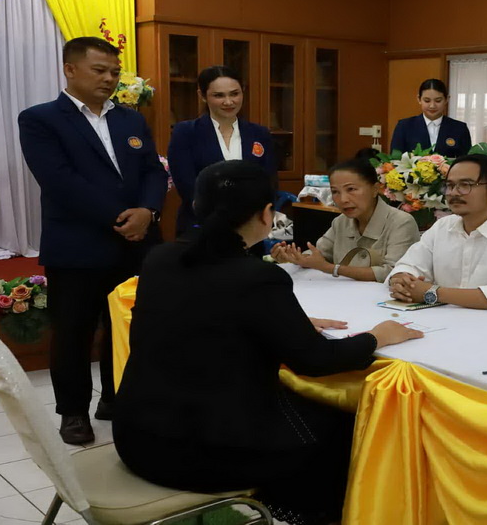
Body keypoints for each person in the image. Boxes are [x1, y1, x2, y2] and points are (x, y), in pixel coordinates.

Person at [113, 161, 422, 524]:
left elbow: (204, 314)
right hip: (201, 455)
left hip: (136, 437)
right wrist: (377, 336)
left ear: (196, 206)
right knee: (341, 423)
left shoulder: (160, 257)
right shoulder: (257, 276)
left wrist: (281, 321)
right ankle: (305, 514)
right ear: (266, 215)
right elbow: (317, 360)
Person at [18, 37, 168, 445]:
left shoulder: (130, 120)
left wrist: (148, 211)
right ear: (70, 69)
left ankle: (116, 398)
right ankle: (73, 412)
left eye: (114, 72)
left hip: (136, 243)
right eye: (99, 70)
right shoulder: (40, 119)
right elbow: (59, 180)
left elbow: (153, 171)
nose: (109, 79)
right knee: (73, 332)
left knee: (128, 325)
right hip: (77, 245)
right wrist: (122, 217)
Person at [388, 154, 487, 311]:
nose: (454, 193)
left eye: (465, 185)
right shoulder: (442, 226)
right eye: (450, 185)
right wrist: (402, 280)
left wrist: (434, 293)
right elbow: (409, 264)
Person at [167, 65, 277, 236]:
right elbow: (187, 186)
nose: (228, 102)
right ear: (202, 95)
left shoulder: (259, 133)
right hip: (201, 229)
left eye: (234, 94)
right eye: (219, 95)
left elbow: (269, 182)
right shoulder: (186, 132)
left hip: (251, 230)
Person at [270, 159, 420, 282]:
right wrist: (295, 257)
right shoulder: (341, 221)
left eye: (351, 189)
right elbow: (320, 254)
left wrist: (331, 268)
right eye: (335, 192)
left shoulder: (401, 222)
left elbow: (393, 272)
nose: (343, 199)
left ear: (375, 189)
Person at [389, 79, 472, 158]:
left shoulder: (460, 128)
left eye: (438, 101)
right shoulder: (404, 126)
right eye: (427, 101)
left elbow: (467, 161)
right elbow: (395, 160)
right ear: (419, 99)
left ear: (446, 99)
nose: (432, 106)